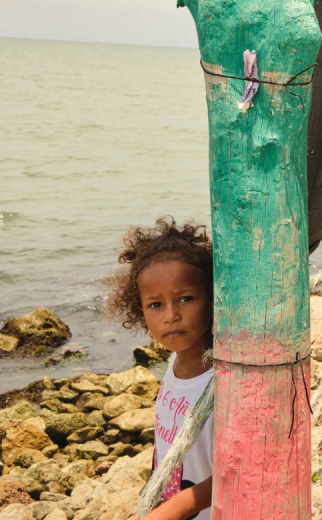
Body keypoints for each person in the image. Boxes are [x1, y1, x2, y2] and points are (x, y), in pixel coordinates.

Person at [107, 218, 214, 520]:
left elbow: (237, 470)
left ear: (213, 298)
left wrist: (175, 509)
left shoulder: (222, 382)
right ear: (139, 310)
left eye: (185, 299)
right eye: (155, 305)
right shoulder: (174, 363)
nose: (171, 316)